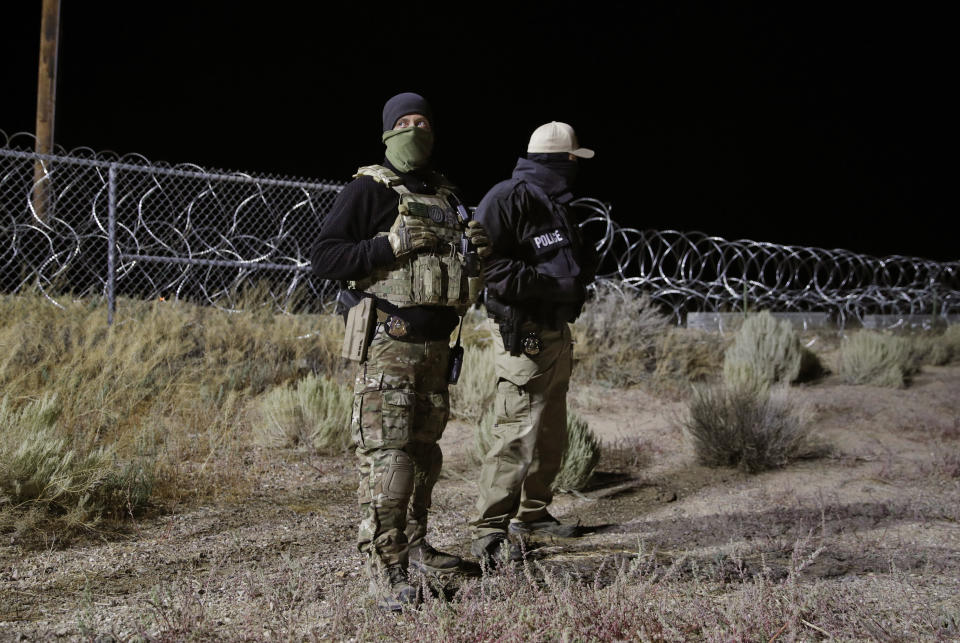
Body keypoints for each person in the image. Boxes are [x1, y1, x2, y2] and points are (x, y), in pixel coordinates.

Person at [310, 92, 487, 610]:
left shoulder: (445, 194)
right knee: (389, 460)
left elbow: (463, 273)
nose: (415, 130)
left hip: (436, 350)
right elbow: (324, 257)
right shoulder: (368, 189)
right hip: (390, 346)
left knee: (425, 457)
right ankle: (385, 569)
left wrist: (477, 253)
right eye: (404, 123)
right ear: (388, 133)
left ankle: (414, 548)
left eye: (423, 122)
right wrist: (387, 247)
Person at [464, 121, 598, 567]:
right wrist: (549, 286)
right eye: (573, 161)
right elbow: (488, 269)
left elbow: (563, 264)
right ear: (560, 161)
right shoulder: (507, 198)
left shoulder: (555, 204)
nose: (576, 170)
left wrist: (574, 281)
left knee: (551, 434)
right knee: (515, 434)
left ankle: (534, 515)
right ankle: (488, 534)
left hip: (556, 334)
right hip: (525, 336)